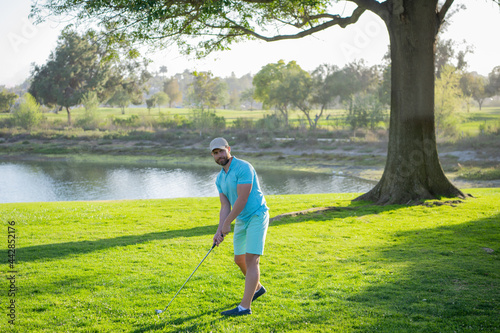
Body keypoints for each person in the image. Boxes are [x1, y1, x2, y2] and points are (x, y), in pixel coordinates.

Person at [210, 137, 269, 316]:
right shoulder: (219, 178)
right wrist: (219, 229)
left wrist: (228, 223)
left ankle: (245, 307)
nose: (219, 155)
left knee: (251, 260)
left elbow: (242, 199)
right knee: (239, 259)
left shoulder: (243, 167)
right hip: (242, 218)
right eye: (215, 153)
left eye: (221, 151)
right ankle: (257, 288)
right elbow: (225, 206)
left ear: (228, 149)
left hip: (257, 215)